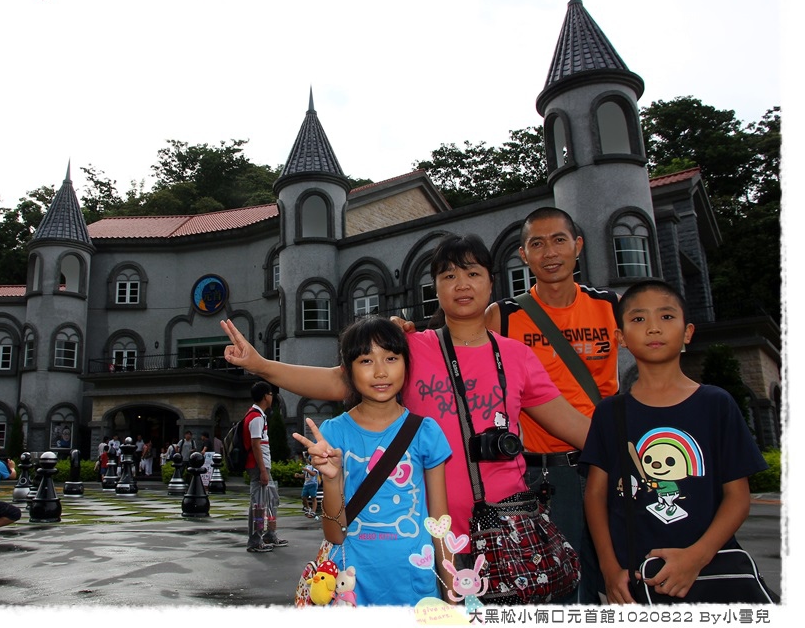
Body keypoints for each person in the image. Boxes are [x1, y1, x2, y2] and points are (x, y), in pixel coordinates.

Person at [222, 233, 589, 584]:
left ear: (491, 284)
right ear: (435, 287)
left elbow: (574, 426)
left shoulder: (516, 356)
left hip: (503, 532)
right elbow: (338, 380)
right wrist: (261, 365)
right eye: (449, 275)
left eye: (473, 273)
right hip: (420, 537)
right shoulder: (411, 348)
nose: (462, 284)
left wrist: (636, 435)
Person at [580, 279, 767, 603]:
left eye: (666, 317)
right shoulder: (610, 413)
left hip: (708, 571)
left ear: (688, 332)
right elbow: (596, 496)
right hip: (635, 579)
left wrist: (697, 556)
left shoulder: (715, 404)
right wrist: (609, 569)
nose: (653, 328)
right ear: (620, 338)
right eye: (638, 318)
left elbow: (737, 497)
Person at [484, 206, 619, 603]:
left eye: (559, 239)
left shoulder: (611, 306)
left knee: (614, 584)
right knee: (551, 587)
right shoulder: (504, 316)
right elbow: (460, 351)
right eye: (536, 244)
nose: (550, 251)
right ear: (523, 256)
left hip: (605, 465)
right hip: (543, 477)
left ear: (577, 245)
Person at [292, 316, 452, 605]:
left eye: (391, 358)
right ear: (348, 372)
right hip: (352, 587)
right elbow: (334, 534)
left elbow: (439, 523)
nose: (380, 372)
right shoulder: (333, 434)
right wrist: (331, 480)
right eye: (366, 361)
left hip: (415, 587)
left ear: (406, 363)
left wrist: (453, 592)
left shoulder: (425, 432)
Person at [243, 381, 288, 552]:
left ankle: (270, 534)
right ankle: (255, 541)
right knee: (259, 504)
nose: (272, 396)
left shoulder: (259, 415)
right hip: (258, 466)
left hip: (262, 465)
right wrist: (262, 470)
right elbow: (255, 445)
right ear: (264, 396)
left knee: (270, 500)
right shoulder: (255, 417)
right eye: (270, 394)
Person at [294, 453, 321, 519]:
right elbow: (305, 475)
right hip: (306, 484)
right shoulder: (306, 466)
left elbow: (313, 474)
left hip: (313, 484)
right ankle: (308, 508)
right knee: (303, 497)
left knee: (313, 498)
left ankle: (313, 511)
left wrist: (307, 470)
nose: (307, 460)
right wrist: (299, 475)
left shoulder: (315, 467)